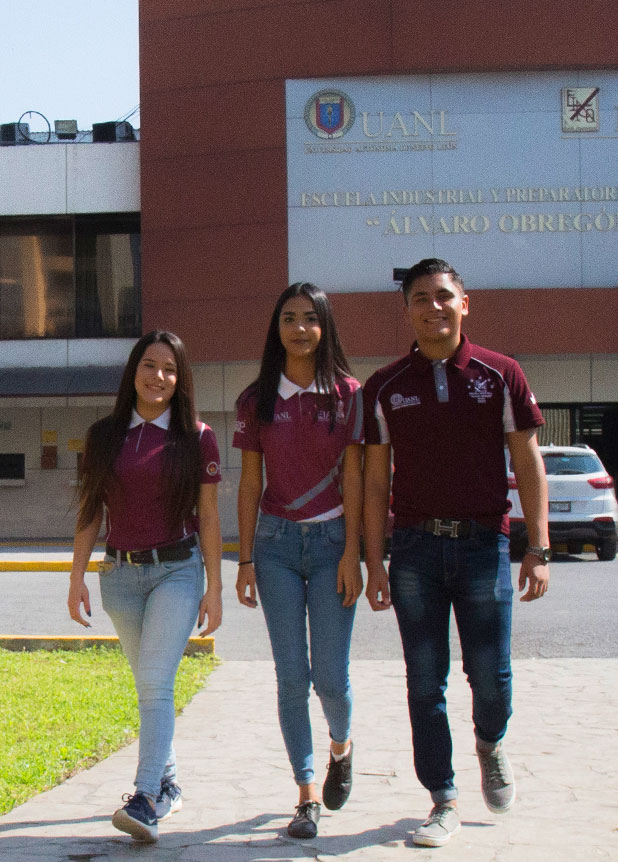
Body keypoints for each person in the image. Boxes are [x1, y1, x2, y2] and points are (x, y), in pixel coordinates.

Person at [362, 258, 551, 847]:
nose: (433, 307)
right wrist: (375, 561)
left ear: (464, 304)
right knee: (425, 681)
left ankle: (490, 745)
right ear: (407, 310)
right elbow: (373, 483)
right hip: (415, 549)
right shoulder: (386, 387)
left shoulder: (501, 375)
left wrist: (538, 547)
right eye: (421, 298)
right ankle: (442, 796)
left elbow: (528, 461)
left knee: (490, 677)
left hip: (483, 545)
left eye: (444, 296)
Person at [67, 330, 224, 844]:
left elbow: (208, 516)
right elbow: (92, 510)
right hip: (120, 577)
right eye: (150, 365)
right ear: (133, 370)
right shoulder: (102, 436)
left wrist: (214, 587)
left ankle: (144, 798)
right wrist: (76, 577)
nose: (159, 377)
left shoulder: (197, 436)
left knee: (156, 683)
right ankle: (170, 783)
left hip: (178, 572)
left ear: (181, 381)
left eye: (170, 369)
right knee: (149, 688)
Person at [233, 282, 365, 840]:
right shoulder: (256, 399)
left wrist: (354, 552)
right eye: (288, 318)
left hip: (334, 543)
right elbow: (248, 483)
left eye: (310, 318)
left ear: (325, 326)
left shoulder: (350, 395)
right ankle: (306, 793)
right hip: (276, 548)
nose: (299, 328)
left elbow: (357, 476)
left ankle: (342, 745)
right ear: (276, 329)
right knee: (292, 677)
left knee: (330, 679)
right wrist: (244, 560)